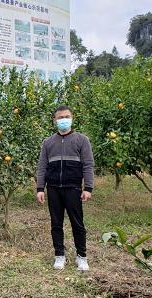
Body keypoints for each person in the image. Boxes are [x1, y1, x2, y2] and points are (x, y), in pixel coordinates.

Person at [36, 105, 94, 271]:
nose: (63, 120)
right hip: (53, 188)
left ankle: (81, 256)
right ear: (54, 120)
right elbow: (42, 167)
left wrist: (88, 187)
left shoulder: (82, 140)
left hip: (73, 188)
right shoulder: (48, 143)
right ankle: (59, 255)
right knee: (56, 224)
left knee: (77, 224)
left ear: (72, 118)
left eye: (66, 117)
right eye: (60, 118)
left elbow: (88, 165)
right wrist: (40, 188)